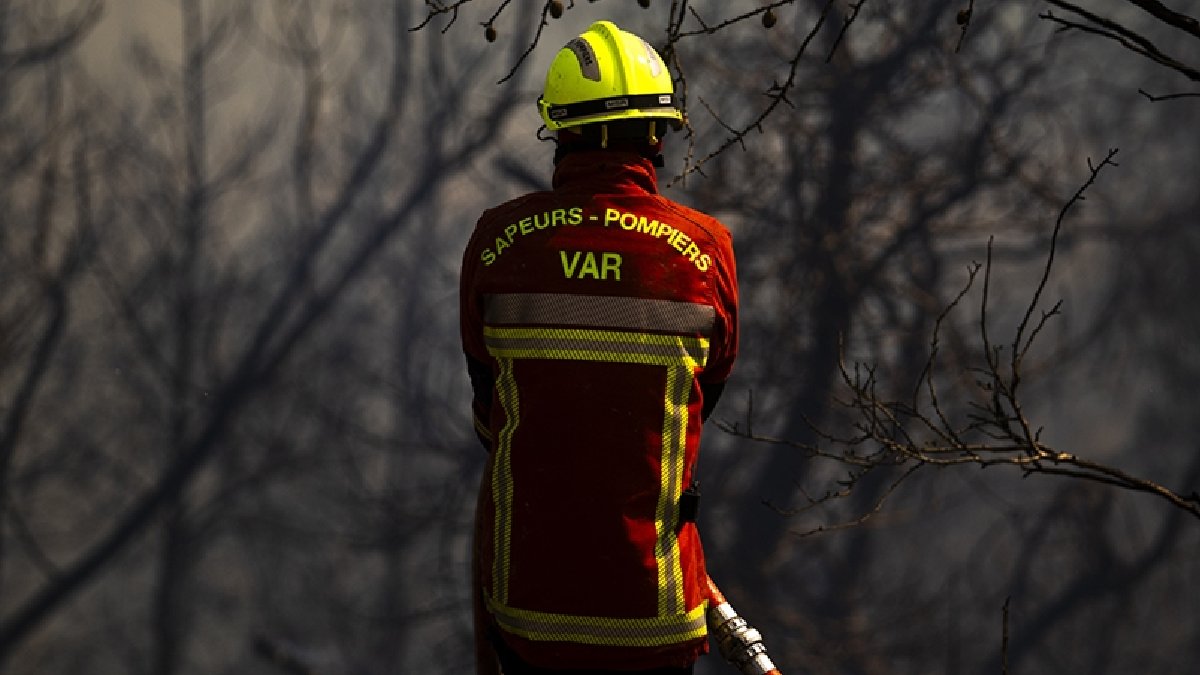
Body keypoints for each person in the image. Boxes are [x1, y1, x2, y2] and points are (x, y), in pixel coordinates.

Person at [459, 20, 739, 675]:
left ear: (559, 130)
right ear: (657, 135)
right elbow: (701, 403)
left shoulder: (499, 244)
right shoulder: (705, 254)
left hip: (530, 613)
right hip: (657, 611)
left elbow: (487, 409)